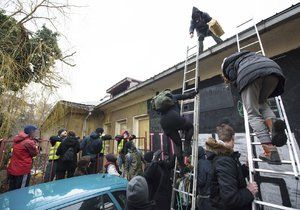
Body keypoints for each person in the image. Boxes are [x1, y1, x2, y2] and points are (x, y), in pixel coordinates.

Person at [221, 51, 286, 164]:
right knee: (261, 103)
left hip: (250, 74)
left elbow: (234, 78)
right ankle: (273, 125)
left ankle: (270, 151)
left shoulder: (227, 65)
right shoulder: (247, 55)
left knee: (252, 113)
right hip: (273, 70)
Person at [206, 124, 258, 210]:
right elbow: (230, 199)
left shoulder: (225, 156)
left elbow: (231, 174)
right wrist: (249, 191)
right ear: (232, 137)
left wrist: (245, 167)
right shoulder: (224, 160)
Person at [155, 89, 197, 168]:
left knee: (178, 144)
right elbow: (186, 96)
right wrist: (194, 93)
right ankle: (187, 146)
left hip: (163, 122)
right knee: (190, 127)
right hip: (173, 117)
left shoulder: (159, 105)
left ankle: (182, 167)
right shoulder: (172, 96)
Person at [7, 125, 39, 191]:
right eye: (35, 132)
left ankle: (12, 200)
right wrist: (35, 144)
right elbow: (35, 153)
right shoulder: (29, 142)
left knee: (12, 188)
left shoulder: (17, 139)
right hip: (23, 170)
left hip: (13, 168)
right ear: (31, 132)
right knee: (22, 190)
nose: (36, 133)